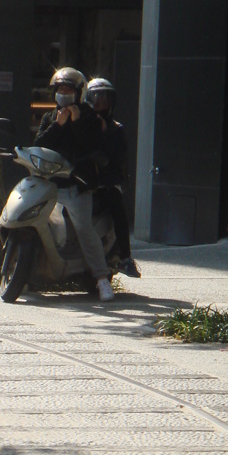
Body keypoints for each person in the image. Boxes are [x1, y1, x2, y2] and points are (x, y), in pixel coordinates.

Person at [34, 66, 115, 303]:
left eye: (68, 89)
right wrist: (57, 125)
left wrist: (77, 122)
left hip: (76, 185)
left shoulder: (88, 116)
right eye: (59, 89)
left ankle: (102, 279)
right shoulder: (50, 117)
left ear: (78, 92)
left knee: (83, 228)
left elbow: (91, 147)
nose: (63, 93)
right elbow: (39, 144)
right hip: (51, 184)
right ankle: (16, 274)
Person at [84, 77, 141, 279]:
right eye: (96, 99)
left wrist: (105, 133)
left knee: (118, 210)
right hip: (83, 183)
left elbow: (116, 156)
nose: (101, 105)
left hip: (106, 184)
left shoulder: (116, 128)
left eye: (105, 100)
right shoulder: (82, 125)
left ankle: (125, 258)